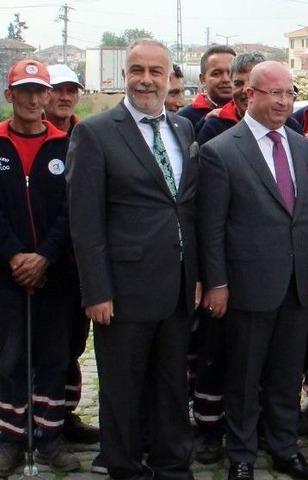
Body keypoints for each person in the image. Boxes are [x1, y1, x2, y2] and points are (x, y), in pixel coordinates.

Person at [67, 39, 199, 480]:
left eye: (156, 71)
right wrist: (96, 291)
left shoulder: (182, 129)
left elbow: (185, 207)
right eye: (137, 70)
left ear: (169, 78)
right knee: (122, 388)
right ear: (125, 74)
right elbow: (85, 222)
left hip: (177, 286)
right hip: (123, 291)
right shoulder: (95, 132)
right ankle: (123, 466)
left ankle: (172, 463)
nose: (146, 79)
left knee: (171, 385)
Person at [197, 61, 308, 480]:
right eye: (273, 92)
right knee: (244, 374)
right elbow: (211, 226)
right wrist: (216, 282)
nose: (283, 101)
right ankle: (241, 454)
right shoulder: (220, 151)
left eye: (289, 92)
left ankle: (285, 448)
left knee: (287, 375)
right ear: (249, 96)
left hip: (298, 285)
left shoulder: (306, 148)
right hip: (247, 286)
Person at [0, 59, 80, 475]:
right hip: (8, 274)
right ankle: (12, 438)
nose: (33, 99)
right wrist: (14, 254)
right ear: (9, 95)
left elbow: (72, 211)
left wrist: (45, 255)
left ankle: (49, 437)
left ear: (48, 96)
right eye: (24, 91)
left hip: (56, 272)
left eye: (39, 91)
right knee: (10, 358)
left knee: (54, 356)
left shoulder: (68, 145)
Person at [43, 63, 100, 446]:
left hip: (77, 266)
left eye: (71, 90)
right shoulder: (30, 136)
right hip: (38, 263)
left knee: (73, 345)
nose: (64, 97)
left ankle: (64, 415)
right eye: (57, 90)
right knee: (35, 347)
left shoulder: (86, 135)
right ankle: (31, 423)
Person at [197, 52, 266, 146]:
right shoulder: (214, 127)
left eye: (253, 82)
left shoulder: (285, 124)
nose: (245, 89)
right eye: (238, 83)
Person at [178, 45, 235, 132]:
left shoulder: (249, 114)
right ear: (203, 79)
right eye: (216, 74)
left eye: (231, 73)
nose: (226, 79)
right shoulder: (184, 119)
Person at [45, 64, 82, 133]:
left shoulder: (87, 134)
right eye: (57, 90)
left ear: (77, 97)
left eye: (71, 91)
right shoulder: (28, 134)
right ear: (43, 96)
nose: (65, 98)